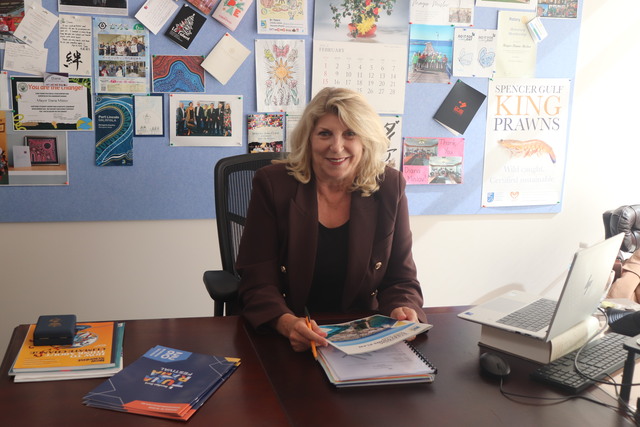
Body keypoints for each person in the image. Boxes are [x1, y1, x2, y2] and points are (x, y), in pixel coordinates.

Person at [236, 87, 426, 353]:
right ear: (308, 139)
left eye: (350, 133)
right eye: (325, 133)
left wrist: (402, 308)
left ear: (366, 140)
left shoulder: (389, 186)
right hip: (292, 332)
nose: (337, 147)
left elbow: (401, 278)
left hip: (364, 332)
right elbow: (257, 278)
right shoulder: (274, 184)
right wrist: (286, 323)